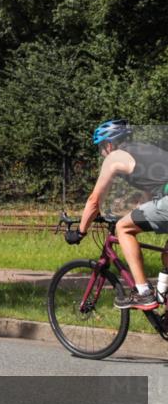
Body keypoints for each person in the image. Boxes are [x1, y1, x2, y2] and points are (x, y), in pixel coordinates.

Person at [66, 120, 168, 310]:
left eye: (101, 148)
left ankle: (144, 293)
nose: (101, 153)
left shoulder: (114, 157)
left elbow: (94, 201)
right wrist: (131, 213)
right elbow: (148, 196)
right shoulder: (145, 150)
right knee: (166, 256)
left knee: (123, 228)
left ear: (109, 144)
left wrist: (80, 232)